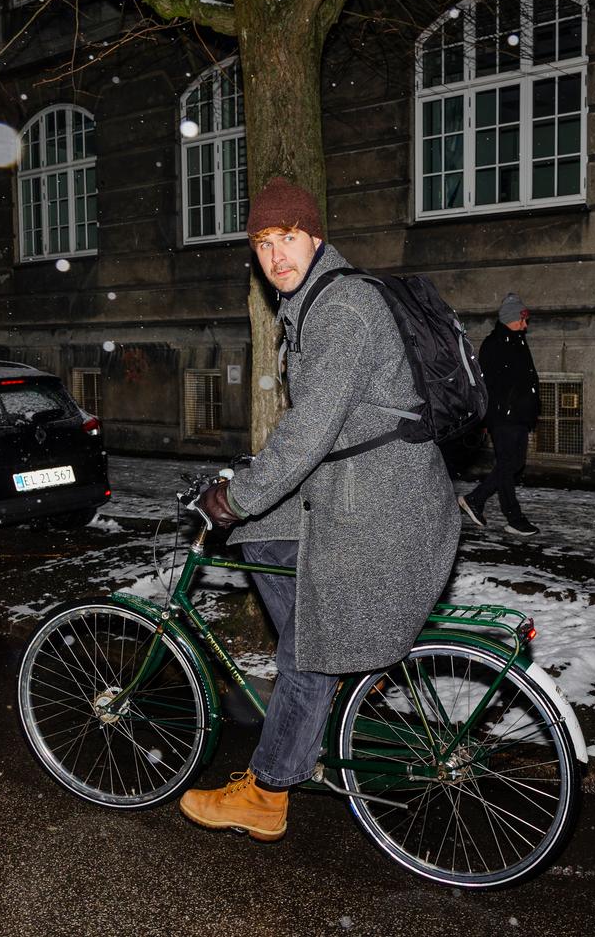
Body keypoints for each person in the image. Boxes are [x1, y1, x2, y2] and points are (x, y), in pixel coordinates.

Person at [178, 176, 460, 841]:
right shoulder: (314, 303)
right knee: (261, 536)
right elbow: (321, 426)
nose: (276, 255)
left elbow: (312, 430)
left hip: (383, 507)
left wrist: (238, 496)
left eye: (289, 238)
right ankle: (320, 681)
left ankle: (269, 789)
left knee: (304, 644)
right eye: (263, 242)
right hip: (364, 488)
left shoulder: (341, 310)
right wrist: (249, 493)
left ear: (316, 238)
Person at [457, 292, 541, 537]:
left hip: (518, 415)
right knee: (509, 463)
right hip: (504, 416)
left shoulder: (517, 341)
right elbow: (488, 384)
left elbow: (527, 380)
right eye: (522, 320)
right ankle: (512, 516)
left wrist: (532, 408)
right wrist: (492, 414)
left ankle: (478, 500)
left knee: (512, 464)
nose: (525, 325)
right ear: (509, 319)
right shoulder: (495, 344)